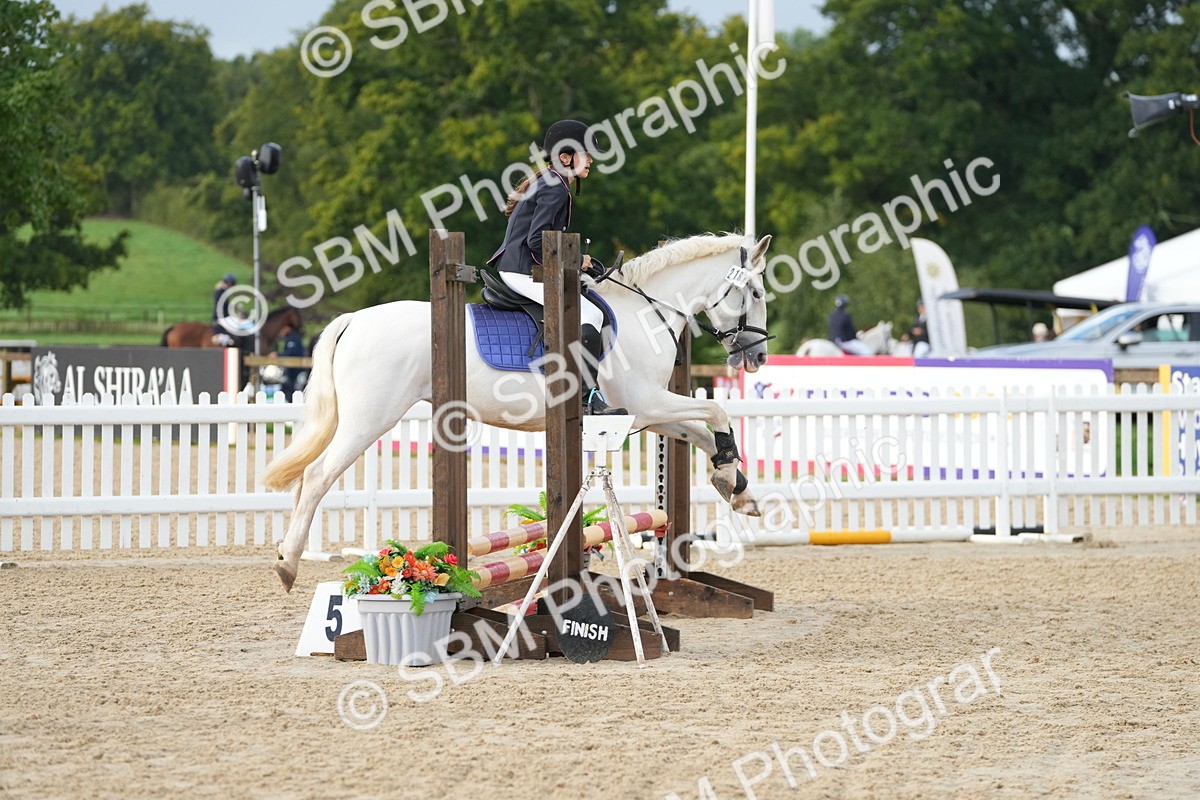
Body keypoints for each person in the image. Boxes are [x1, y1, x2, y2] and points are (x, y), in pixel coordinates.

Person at [487, 119, 626, 415]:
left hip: (520, 266)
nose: (590, 160)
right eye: (585, 154)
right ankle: (587, 397)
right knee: (591, 314)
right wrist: (578, 260)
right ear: (566, 157)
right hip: (521, 270)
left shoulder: (551, 181)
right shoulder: (556, 188)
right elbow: (538, 241)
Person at [277, 322, 306, 400]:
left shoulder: (293, 338)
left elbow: (292, 353)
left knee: (293, 390)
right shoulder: (290, 338)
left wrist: (278, 355)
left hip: (295, 370)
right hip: (291, 370)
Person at [211, 273, 238, 345]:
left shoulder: (222, 291)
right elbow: (223, 305)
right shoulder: (221, 291)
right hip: (221, 318)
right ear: (229, 283)